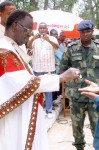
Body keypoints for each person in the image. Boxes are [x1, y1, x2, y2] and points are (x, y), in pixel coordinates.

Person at [0, 9, 80, 150]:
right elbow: (23, 83)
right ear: (15, 25)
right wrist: (61, 77)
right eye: (27, 29)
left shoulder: (13, 47)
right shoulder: (4, 51)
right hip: (14, 119)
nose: (30, 33)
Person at [60, 20, 99, 150]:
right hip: (77, 93)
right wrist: (73, 78)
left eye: (88, 31)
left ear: (92, 31)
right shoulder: (71, 49)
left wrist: (96, 76)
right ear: (79, 33)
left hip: (94, 94)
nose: (85, 34)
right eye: (82, 32)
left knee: (97, 125)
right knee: (77, 126)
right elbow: (63, 70)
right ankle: (79, 147)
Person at [27, 22, 59, 118]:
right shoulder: (33, 39)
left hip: (49, 68)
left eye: (43, 28)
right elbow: (28, 47)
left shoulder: (52, 38)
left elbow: (57, 47)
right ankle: (38, 111)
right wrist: (33, 38)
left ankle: (49, 111)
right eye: (40, 28)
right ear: (38, 29)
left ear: (46, 29)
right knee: (37, 90)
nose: (42, 29)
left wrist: (48, 40)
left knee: (48, 90)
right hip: (37, 68)